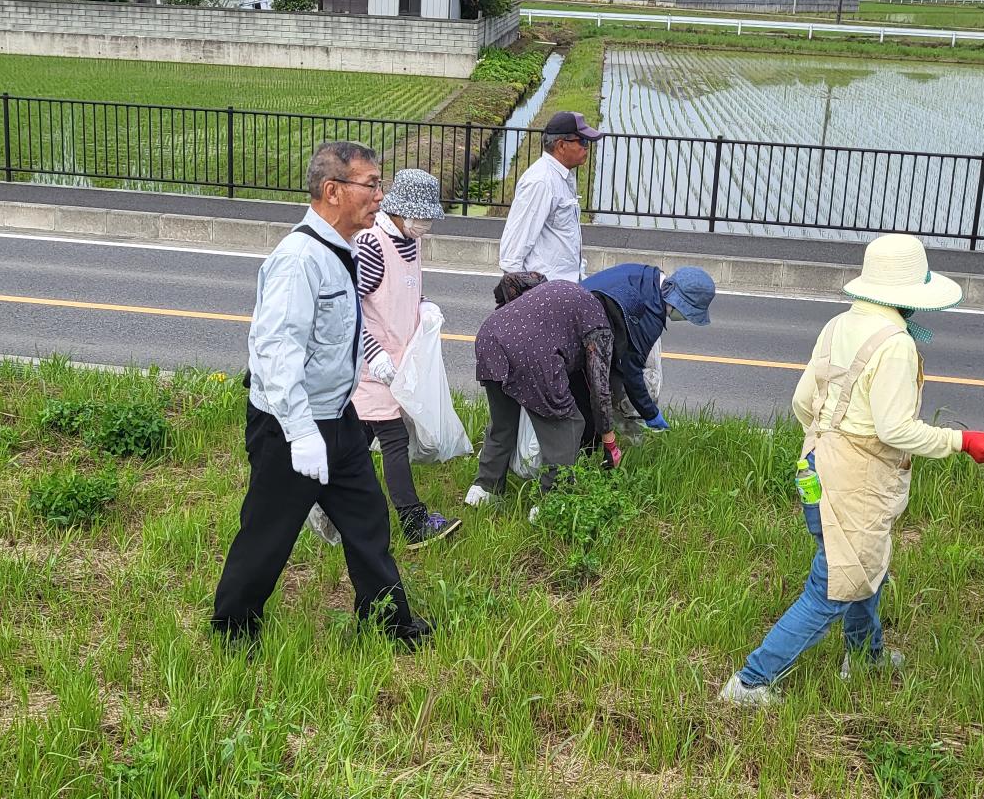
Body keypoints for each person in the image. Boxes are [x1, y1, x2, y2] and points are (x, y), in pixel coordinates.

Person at [718, 233, 984, 706]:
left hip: (815, 463)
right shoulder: (896, 344)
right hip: (854, 480)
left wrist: (829, 440)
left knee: (865, 568)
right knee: (833, 585)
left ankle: (867, 655)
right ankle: (751, 682)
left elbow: (802, 401)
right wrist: (961, 441)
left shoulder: (838, 325)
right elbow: (896, 430)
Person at [211, 140, 430, 647]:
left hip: (339, 419)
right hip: (291, 427)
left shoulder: (343, 250)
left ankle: (388, 622)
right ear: (333, 191)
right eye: (371, 185)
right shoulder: (298, 261)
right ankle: (233, 631)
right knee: (268, 531)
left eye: (381, 184)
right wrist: (301, 432)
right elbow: (276, 352)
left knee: (368, 517)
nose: (381, 195)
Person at [306, 168, 463, 550]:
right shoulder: (374, 246)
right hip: (371, 368)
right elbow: (350, 307)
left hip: (399, 368)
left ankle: (315, 500)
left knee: (353, 443)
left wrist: (425, 308)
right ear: (399, 210)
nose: (424, 224)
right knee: (393, 441)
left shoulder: (411, 242)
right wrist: (373, 356)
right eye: (420, 215)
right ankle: (413, 522)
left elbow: (405, 295)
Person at [464, 276, 622, 505]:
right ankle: (551, 502)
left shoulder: (560, 288)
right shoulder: (600, 326)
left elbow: (514, 280)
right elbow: (600, 390)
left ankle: (484, 490)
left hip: (490, 335)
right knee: (568, 424)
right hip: (531, 355)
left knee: (503, 423)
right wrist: (609, 441)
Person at [581, 262, 717, 432]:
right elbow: (631, 370)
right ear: (679, 303)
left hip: (576, 311)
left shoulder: (647, 276)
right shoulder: (648, 317)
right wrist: (650, 413)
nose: (687, 318)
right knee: (587, 411)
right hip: (578, 337)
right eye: (689, 313)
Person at [496, 111, 601, 284]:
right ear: (561, 146)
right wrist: (523, 297)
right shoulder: (541, 181)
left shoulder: (563, 176)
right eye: (582, 141)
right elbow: (512, 251)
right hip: (546, 292)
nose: (587, 147)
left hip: (566, 288)